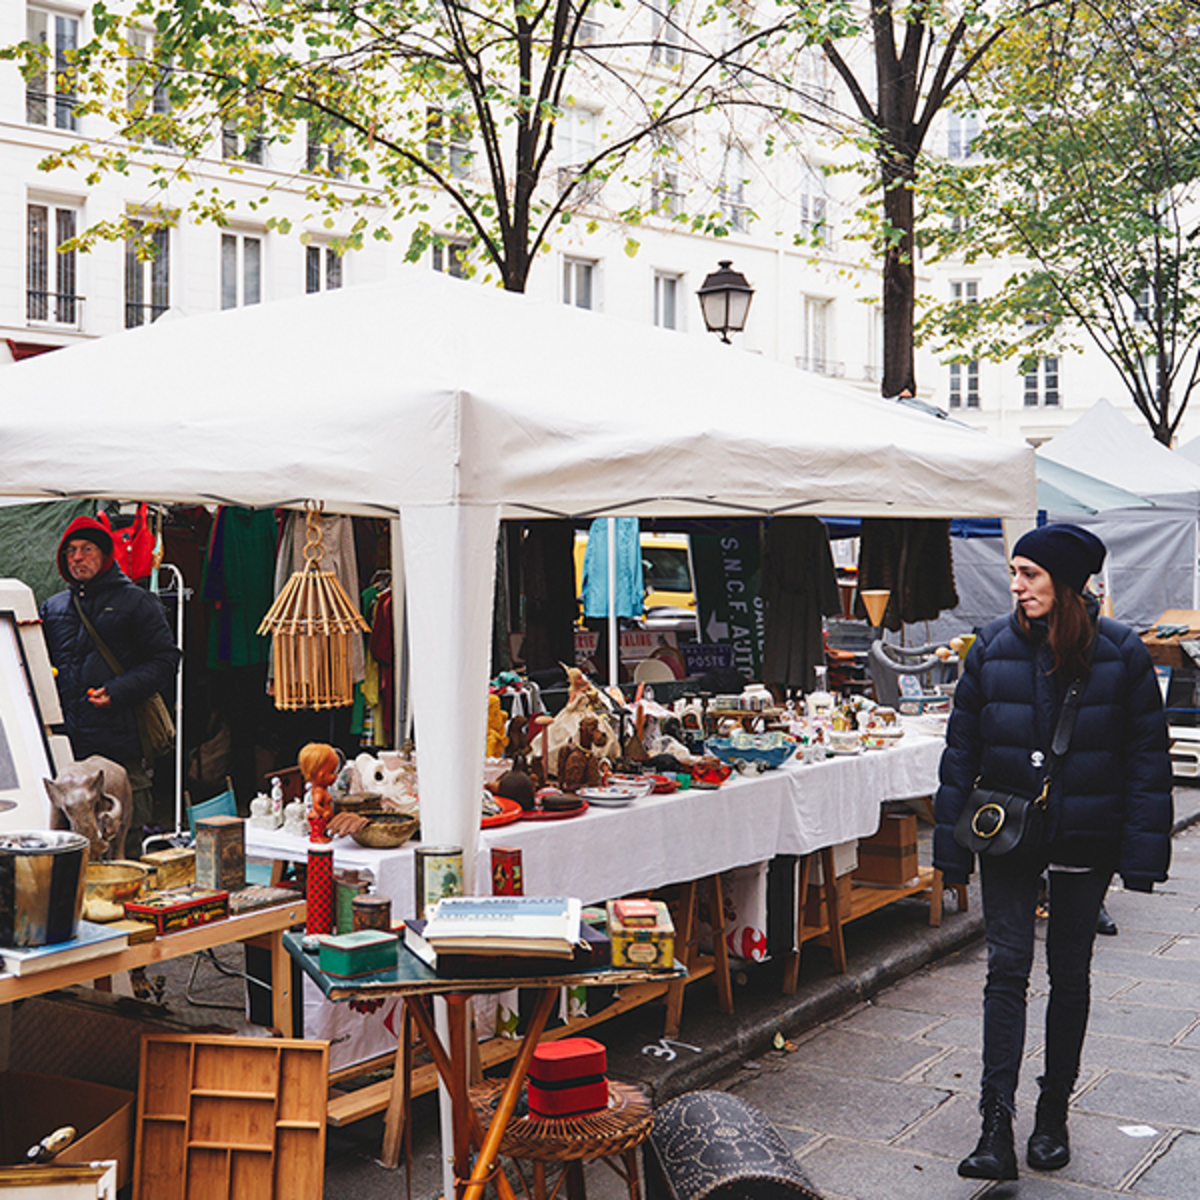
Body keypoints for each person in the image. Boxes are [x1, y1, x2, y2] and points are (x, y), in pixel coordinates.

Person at [934, 523, 1171, 1181]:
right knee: (1005, 971)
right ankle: (994, 1125)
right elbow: (962, 755)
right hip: (1006, 837)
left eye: (1029, 574)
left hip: (1084, 839)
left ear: (1067, 584)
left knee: (1069, 975)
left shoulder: (1121, 654)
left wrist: (1142, 856)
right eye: (1014, 572)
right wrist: (949, 852)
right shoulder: (989, 647)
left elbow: (1146, 760)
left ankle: (1053, 1112)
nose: (1016, 585)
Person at [40, 515, 182, 856]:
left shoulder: (137, 602)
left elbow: (166, 660)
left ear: (105, 555)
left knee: (122, 847)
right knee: (69, 849)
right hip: (68, 755)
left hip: (121, 753)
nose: (77, 557)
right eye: (71, 551)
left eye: (87, 549)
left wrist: (118, 691)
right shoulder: (53, 607)